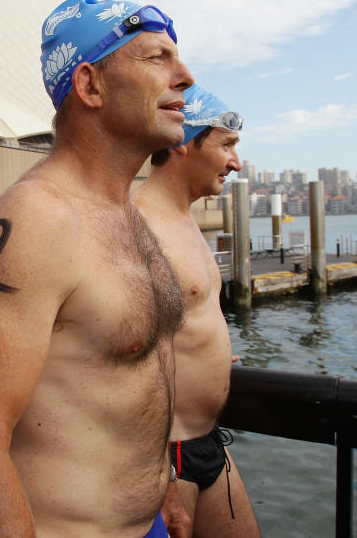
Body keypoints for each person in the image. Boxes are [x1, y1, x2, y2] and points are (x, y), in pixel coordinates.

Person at [0, 0, 194, 537]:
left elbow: (131, 380)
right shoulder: (35, 220)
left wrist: (162, 489)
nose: (186, 76)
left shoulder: (125, 214)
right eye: (157, 58)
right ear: (90, 85)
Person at [133, 84, 260, 537]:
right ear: (186, 142)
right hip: (166, 458)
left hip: (208, 443)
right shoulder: (139, 226)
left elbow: (176, 325)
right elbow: (125, 360)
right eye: (226, 145)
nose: (236, 162)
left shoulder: (185, 220)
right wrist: (162, 483)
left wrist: (209, 356)